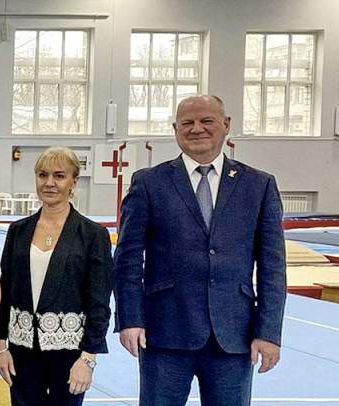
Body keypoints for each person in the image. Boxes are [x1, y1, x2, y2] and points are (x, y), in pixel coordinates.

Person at [114, 95, 286, 405]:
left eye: (206, 121)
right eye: (187, 123)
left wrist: (269, 332)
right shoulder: (149, 183)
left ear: (226, 125)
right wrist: (130, 318)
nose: (197, 129)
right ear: (175, 129)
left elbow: (273, 267)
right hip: (164, 332)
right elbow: (127, 259)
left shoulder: (258, 185)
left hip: (233, 335)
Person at [0, 147, 113, 405]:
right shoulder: (18, 231)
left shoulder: (93, 235)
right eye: (43, 175)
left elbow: (99, 302)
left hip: (70, 352)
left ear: (73, 182)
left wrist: (88, 359)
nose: (49, 183)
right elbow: (5, 289)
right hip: (21, 349)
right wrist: (1, 347)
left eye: (59, 176)